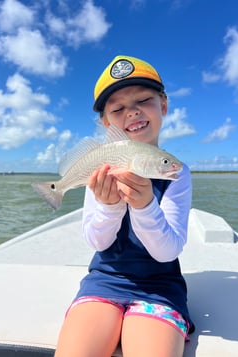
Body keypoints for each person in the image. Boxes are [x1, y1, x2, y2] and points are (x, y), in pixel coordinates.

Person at [54, 55, 194, 357]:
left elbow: (167, 251)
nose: (132, 112)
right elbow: (96, 241)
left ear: (164, 105)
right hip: (104, 279)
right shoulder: (102, 166)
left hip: (159, 286)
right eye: (117, 109)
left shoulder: (176, 174)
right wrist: (110, 206)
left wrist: (145, 205)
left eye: (143, 100)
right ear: (106, 123)